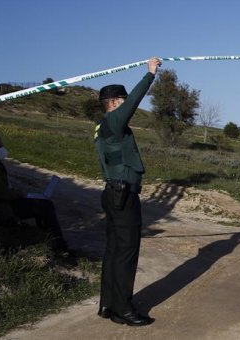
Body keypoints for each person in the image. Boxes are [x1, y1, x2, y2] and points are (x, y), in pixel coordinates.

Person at [94, 57, 161, 326]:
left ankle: (108, 304)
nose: (125, 105)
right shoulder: (113, 121)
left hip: (113, 194)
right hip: (122, 196)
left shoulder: (104, 126)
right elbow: (132, 103)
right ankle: (124, 309)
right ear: (113, 103)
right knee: (126, 253)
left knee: (113, 251)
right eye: (121, 101)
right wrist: (149, 75)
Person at [0, 135, 69, 252]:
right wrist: (17, 194)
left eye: (1, 146)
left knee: (42, 203)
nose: (2, 149)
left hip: (5, 203)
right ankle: (59, 245)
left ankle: (48, 238)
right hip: (1, 209)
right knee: (45, 206)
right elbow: (0, 192)